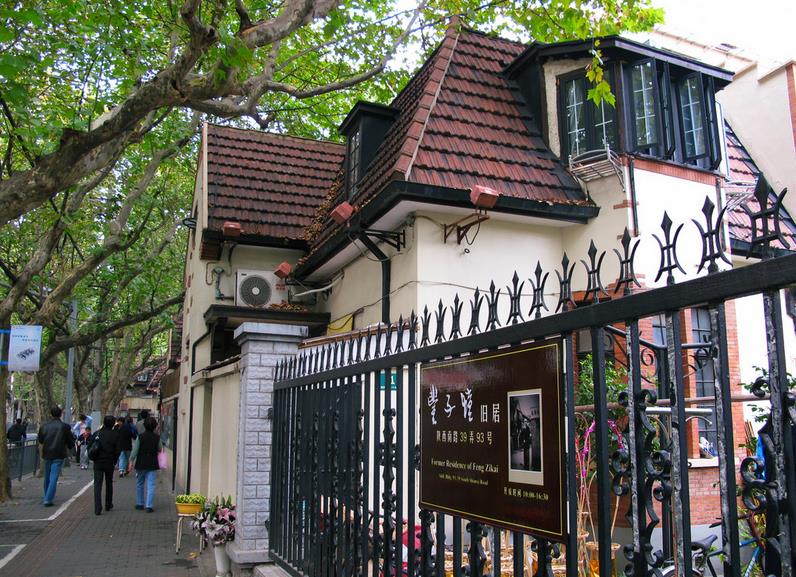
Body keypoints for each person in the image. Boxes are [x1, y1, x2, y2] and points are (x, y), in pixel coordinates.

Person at [37, 406, 74, 506]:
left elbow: (40, 440)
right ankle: (48, 499)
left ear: (51, 414)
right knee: (54, 477)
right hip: (58, 453)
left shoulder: (44, 426)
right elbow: (70, 440)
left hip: (47, 453)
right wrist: (70, 447)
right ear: (61, 414)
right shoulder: (65, 427)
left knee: (47, 476)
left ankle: (47, 495)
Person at [90, 415, 122, 515]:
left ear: (103, 422)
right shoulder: (115, 435)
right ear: (113, 424)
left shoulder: (97, 433)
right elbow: (118, 450)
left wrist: (93, 457)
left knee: (97, 484)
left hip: (98, 461)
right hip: (109, 461)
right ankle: (108, 504)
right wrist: (115, 460)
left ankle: (97, 507)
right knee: (109, 482)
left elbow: (90, 446)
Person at [129, 416, 161, 512]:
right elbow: (160, 449)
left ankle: (140, 503)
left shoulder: (140, 437)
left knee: (140, 483)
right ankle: (149, 506)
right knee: (151, 485)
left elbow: (135, 451)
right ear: (155, 426)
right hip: (152, 463)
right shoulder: (157, 437)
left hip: (141, 462)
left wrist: (131, 461)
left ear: (144, 426)